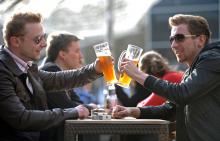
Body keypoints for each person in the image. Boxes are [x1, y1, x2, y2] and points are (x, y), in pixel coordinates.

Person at [113, 14, 220, 141]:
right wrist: (132, 111)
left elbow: (182, 93)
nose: (173, 45)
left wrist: (138, 74)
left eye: (179, 38)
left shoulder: (213, 60)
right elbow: (169, 109)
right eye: (172, 39)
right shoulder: (192, 71)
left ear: (201, 40)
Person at [0, 12, 103, 141]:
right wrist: (73, 111)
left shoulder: (26, 66)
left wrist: (95, 69)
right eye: (37, 39)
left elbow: (58, 79)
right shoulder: (3, 69)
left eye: (44, 37)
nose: (43, 44)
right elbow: (21, 118)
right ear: (15, 41)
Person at [40, 31, 97, 141]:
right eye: (77, 51)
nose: (81, 56)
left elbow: (78, 103)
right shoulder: (50, 71)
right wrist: (93, 107)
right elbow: (69, 106)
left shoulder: (60, 73)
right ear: (62, 54)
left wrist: (89, 107)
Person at [115, 51, 183, 107]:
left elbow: (140, 106)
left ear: (142, 70)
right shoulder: (175, 74)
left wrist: (116, 84)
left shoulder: (169, 78)